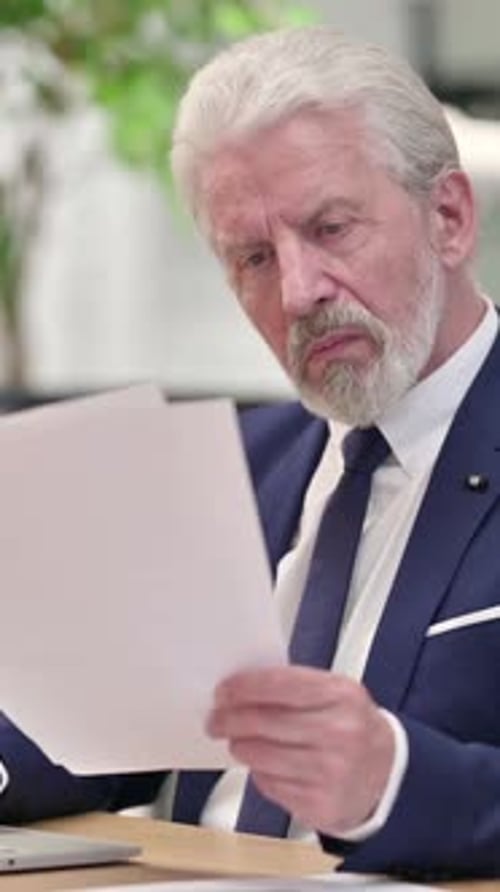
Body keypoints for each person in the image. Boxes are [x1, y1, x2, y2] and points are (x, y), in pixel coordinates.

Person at [0, 23, 498, 881]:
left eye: (332, 229)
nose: (299, 292)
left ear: (449, 218)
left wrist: (392, 781)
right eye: (255, 257)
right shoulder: (227, 461)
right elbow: (96, 734)